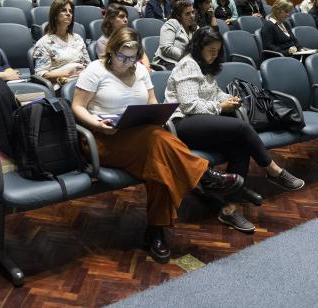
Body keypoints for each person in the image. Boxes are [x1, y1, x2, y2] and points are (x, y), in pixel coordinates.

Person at [71, 27, 242, 263]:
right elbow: (78, 107)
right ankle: (202, 176)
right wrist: (98, 124)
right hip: (104, 138)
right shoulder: (95, 70)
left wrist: (157, 114)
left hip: (142, 136)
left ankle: (156, 232)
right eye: (122, 56)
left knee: (158, 160)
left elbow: (151, 102)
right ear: (110, 52)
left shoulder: (140, 70)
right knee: (157, 141)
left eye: (132, 57)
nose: (127, 62)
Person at [165, 27, 305, 232]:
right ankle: (273, 170)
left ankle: (230, 209)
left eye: (217, 50)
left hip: (203, 123)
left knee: (241, 146)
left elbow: (213, 93)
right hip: (182, 124)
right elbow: (189, 105)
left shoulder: (205, 66)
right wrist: (220, 107)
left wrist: (227, 99)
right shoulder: (188, 65)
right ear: (198, 47)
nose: (214, 55)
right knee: (240, 127)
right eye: (211, 50)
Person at [32, 0, 90, 88]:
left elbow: (87, 64)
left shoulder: (78, 38)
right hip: (62, 84)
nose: (68, 14)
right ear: (55, 15)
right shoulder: (44, 43)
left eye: (70, 11)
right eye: (64, 10)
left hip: (84, 80)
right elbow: (41, 74)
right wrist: (65, 73)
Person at [154, 0, 197, 69]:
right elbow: (166, 48)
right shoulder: (172, 23)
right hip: (167, 61)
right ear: (179, 16)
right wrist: (188, 57)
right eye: (187, 14)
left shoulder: (195, 28)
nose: (192, 16)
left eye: (193, 12)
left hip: (189, 62)